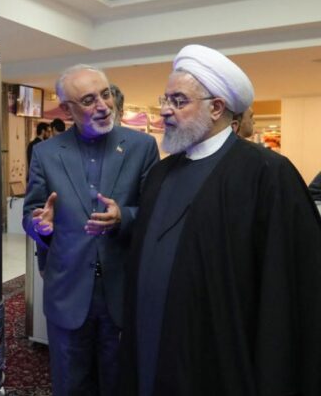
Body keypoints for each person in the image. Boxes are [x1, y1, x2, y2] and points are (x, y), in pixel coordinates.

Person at [119, 45, 321, 396]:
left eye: (179, 101)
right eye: (165, 99)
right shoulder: (161, 174)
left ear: (216, 108)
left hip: (220, 358)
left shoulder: (267, 173)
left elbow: (288, 289)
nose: (164, 110)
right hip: (151, 343)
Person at [24, 64, 159, 396]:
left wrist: (123, 217)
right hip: (67, 291)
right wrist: (41, 225)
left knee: (119, 383)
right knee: (70, 383)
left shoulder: (142, 147)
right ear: (66, 109)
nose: (103, 105)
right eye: (89, 100)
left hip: (121, 290)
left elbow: (155, 212)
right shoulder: (46, 153)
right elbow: (32, 212)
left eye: (106, 94)